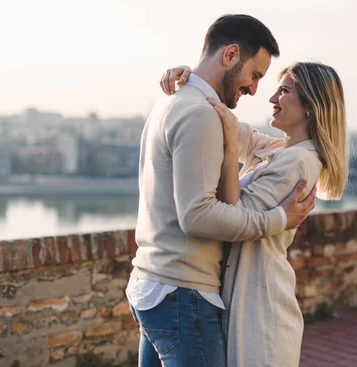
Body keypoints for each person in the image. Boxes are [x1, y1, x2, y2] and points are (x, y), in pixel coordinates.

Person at [126, 14, 317, 367]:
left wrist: (189, 78)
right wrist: (278, 218)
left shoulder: (172, 101)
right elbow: (197, 216)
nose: (256, 90)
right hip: (182, 292)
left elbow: (270, 147)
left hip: (155, 285)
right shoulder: (199, 113)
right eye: (255, 75)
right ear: (230, 55)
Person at [161, 62, 349, 366]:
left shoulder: (298, 162)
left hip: (261, 310)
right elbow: (229, 127)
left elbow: (233, 216)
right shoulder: (279, 150)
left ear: (311, 107)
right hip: (250, 296)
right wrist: (192, 81)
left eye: (284, 91)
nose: (272, 98)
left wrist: (232, 155)